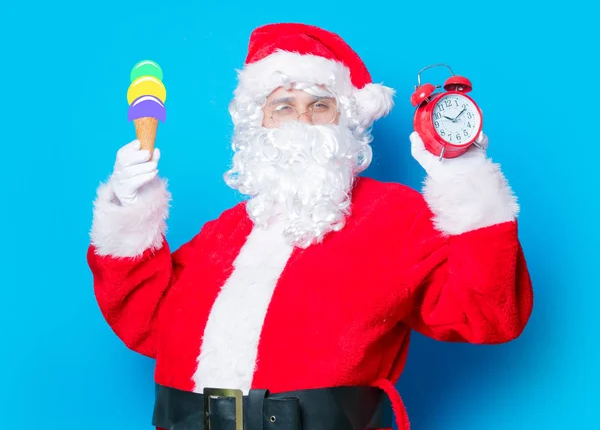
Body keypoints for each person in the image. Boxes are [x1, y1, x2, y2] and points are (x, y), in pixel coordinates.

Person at [87, 23, 534, 430]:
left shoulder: (395, 216)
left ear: (346, 121)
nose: (302, 120)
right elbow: (144, 323)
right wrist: (131, 210)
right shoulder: (222, 234)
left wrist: (466, 181)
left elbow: (490, 315)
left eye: (320, 105)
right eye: (283, 105)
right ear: (254, 123)